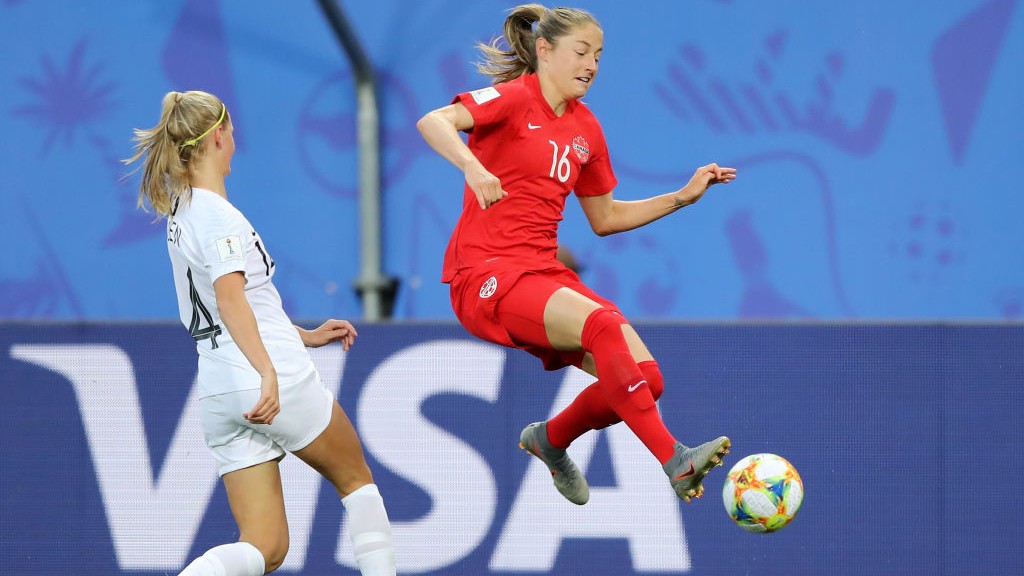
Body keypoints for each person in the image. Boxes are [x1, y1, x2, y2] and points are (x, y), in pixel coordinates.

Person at [416, 4, 737, 506]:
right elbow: (434, 120)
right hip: (485, 275)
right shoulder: (510, 99)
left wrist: (681, 196)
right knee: (604, 326)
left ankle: (550, 440)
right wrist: (471, 166)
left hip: (541, 273)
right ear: (544, 51)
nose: (591, 65)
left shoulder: (587, 130)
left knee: (646, 379)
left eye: (599, 57)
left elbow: (605, 218)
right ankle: (675, 460)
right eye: (581, 52)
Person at [125, 91, 396, 576]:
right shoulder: (219, 216)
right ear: (219, 138)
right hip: (266, 376)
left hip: (218, 388)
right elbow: (230, 300)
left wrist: (303, 335)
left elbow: (233, 303)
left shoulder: (180, 214)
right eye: (231, 129)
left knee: (266, 547)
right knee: (357, 482)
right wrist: (269, 372)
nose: (236, 138)